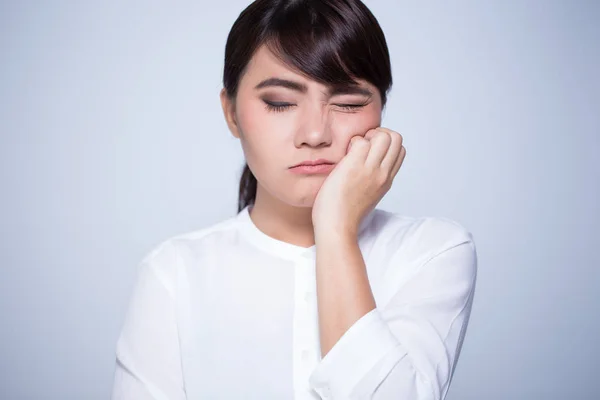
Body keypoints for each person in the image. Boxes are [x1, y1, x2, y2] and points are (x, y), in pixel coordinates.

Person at [110, 0, 478, 399]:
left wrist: (335, 228)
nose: (315, 134)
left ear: (381, 112)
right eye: (280, 102)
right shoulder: (173, 273)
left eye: (348, 103)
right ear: (230, 112)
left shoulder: (430, 252)